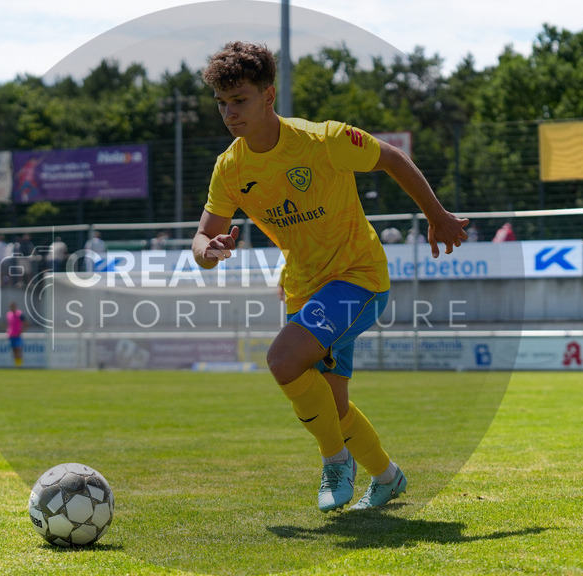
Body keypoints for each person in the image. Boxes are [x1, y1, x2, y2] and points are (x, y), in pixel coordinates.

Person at [192, 41, 469, 512]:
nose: (229, 113)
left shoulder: (325, 140)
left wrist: (437, 214)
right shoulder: (231, 167)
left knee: (282, 359)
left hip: (358, 277)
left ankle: (334, 460)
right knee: (332, 405)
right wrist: (210, 251)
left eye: (239, 100)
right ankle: (387, 476)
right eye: (222, 102)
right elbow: (201, 239)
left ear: (268, 96)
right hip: (305, 289)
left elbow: (392, 159)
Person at [6, 302, 27, 367]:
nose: (12, 308)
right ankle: (16, 364)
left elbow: (26, 322)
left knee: (18, 350)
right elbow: (9, 324)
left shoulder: (19, 314)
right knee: (14, 350)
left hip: (17, 335)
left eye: (13, 306)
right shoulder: (9, 314)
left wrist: (22, 330)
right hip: (11, 335)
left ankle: (20, 365)